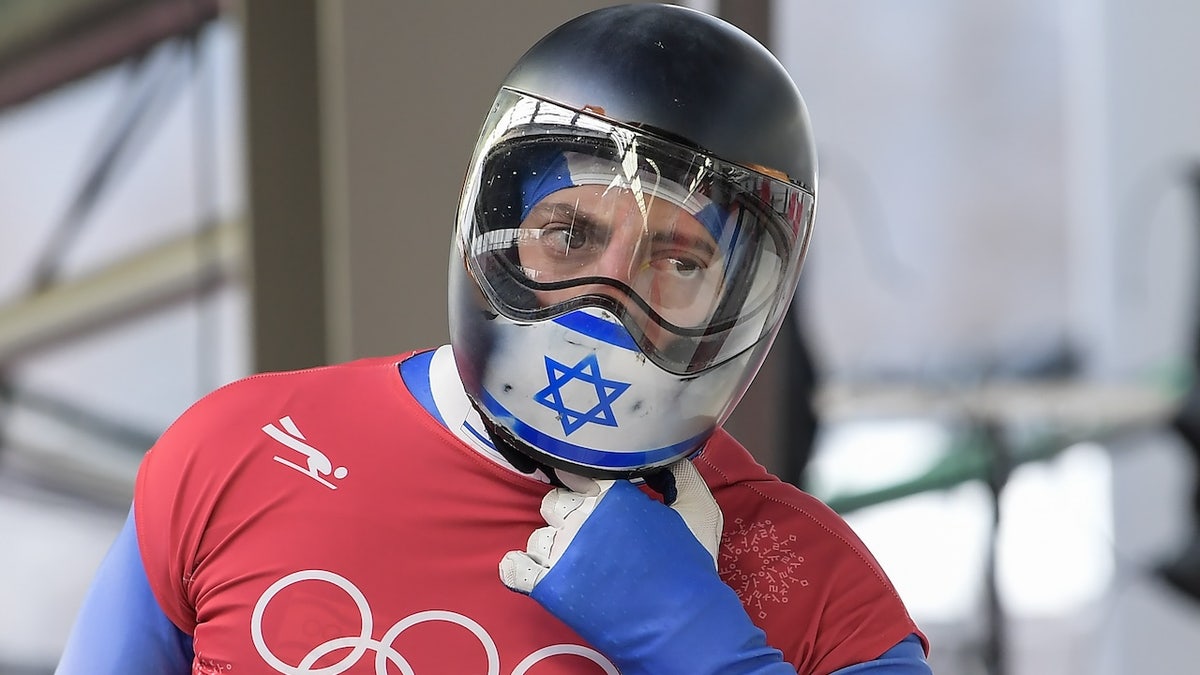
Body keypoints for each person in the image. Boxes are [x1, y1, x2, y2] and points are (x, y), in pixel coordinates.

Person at [56, 5, 930, 673]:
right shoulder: (241, 451)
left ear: (743, 296)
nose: (606, 297)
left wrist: (708, 651)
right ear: (497, 227)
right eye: (571, 234)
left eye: (678, 259)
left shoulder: (810, 582)